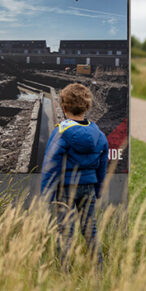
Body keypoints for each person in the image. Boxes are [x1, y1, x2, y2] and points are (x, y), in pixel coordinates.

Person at [40, 83, 109, 270]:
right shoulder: (99, 134)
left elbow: (50, 164)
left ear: (63, 108)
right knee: (90, 229)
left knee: (65, 230)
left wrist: (46, 192)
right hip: (88, 187)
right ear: (87, 107)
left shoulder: (61, 132)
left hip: (66, 187)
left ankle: (64, 271)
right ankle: (99, 269)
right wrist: (99, 189)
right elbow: (103, 165)